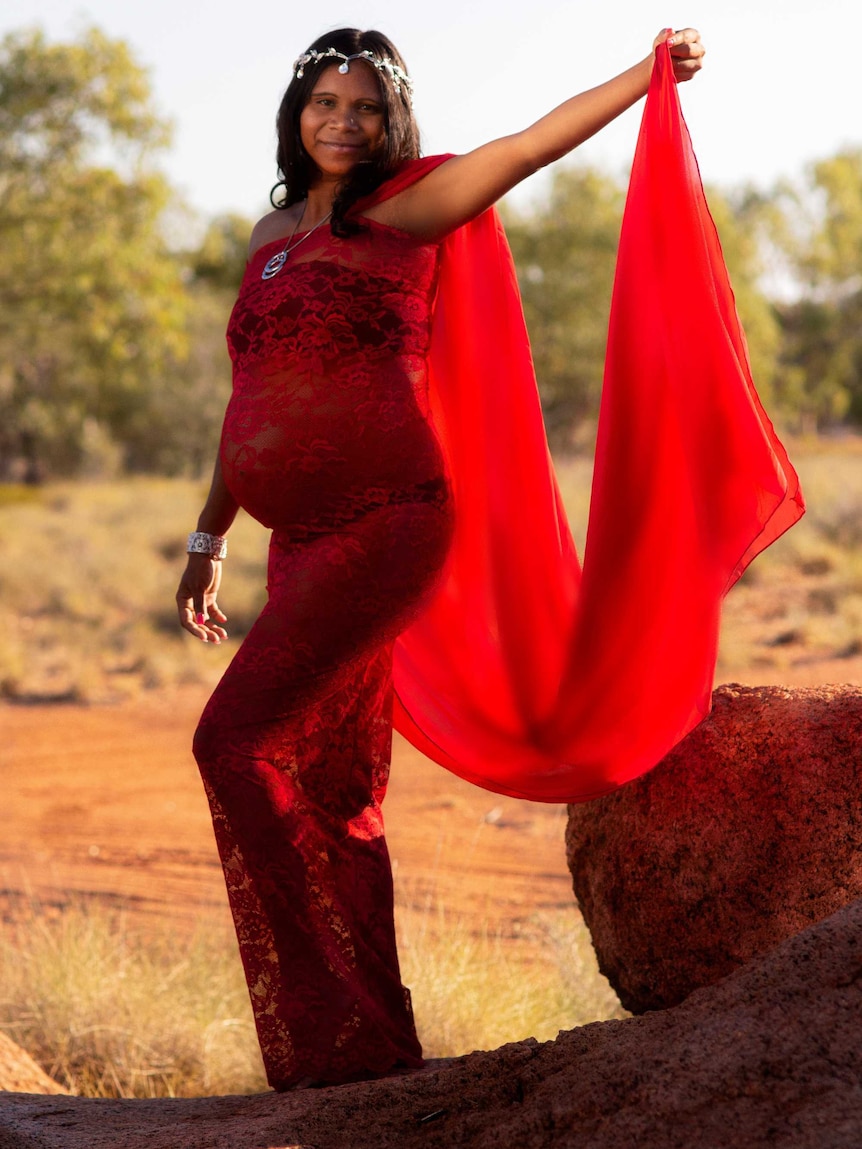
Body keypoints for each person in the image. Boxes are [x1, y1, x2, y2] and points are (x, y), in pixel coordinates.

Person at [176, 26, 705, 1090]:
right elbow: (255, 398)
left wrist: (641, 74)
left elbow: (526, 146)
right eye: (325, 102)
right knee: (333, 789)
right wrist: (209, 535)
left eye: (364, 107)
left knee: (233, 746)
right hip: (296, 540)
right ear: (297, 114)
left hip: (386, 524)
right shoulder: (270, 233)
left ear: (390, 122)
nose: (342, 122)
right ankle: (365, 1060)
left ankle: (327, 1031)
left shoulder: (406, 208)